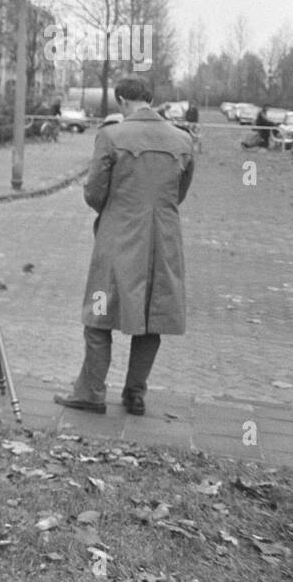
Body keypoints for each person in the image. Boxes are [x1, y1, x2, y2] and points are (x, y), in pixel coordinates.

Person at [55, 76, 194, 417]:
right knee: (152, 318)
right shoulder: (183, 140)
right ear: (150, 98)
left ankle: (91, 392)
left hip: (118, 240)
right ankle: (135, 394)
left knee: (98, 316)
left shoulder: (111, 136)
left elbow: (94, 193)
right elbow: (180, 192)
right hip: (163, 242)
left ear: (121, 101)